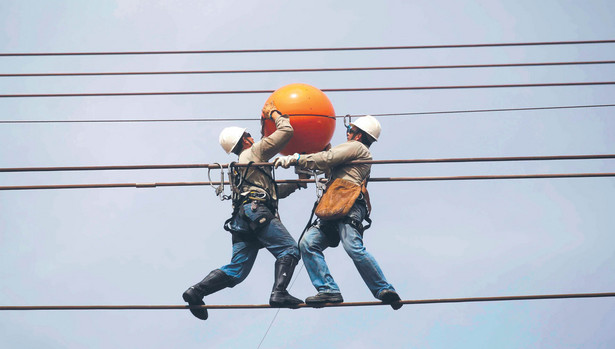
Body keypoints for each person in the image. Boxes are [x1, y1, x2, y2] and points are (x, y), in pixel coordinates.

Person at [182, 103, 304, 321]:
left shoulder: (241, 165)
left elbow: (271, 192)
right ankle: (279, 293)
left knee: (237, 271)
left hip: (243, 219)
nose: (253, 138)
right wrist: (274, 114)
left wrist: (297, 183)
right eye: (250, 135)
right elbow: (286, 131)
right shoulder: (255, 151)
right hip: (257, 212)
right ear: (245, 139)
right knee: (289, 250)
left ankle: (196, 292)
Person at [274, 115, 402, 310]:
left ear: (359, 136)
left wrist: (297, 158)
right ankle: (328, 290)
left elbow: (328, 158)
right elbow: (329, 161)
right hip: (334, 206)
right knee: (308, 243)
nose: (348, 133)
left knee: (353, 247)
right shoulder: (353, 151)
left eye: (351, 130)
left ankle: (383, 289)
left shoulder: (358, 148)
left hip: (349, 206)